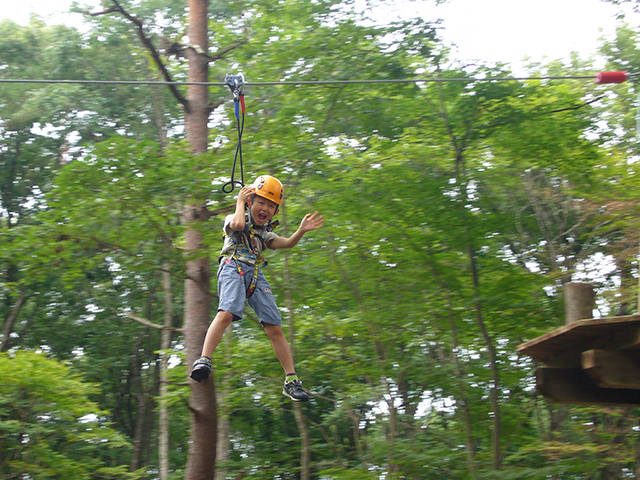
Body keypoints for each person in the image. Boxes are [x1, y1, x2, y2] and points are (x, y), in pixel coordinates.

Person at [189, 175, 323, 402]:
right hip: (232, 266)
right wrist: (240, 202)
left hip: (255, 275)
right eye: (261, 202)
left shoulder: (265, 233)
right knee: (227, 313)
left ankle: (291, 380)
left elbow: (287, 243)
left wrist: (301, 230)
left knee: (275, 326)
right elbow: (239, 225)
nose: (265, 209)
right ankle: (204, 359)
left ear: (275, 212)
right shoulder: (234, 216)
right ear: (251, 202)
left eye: (271, 206)